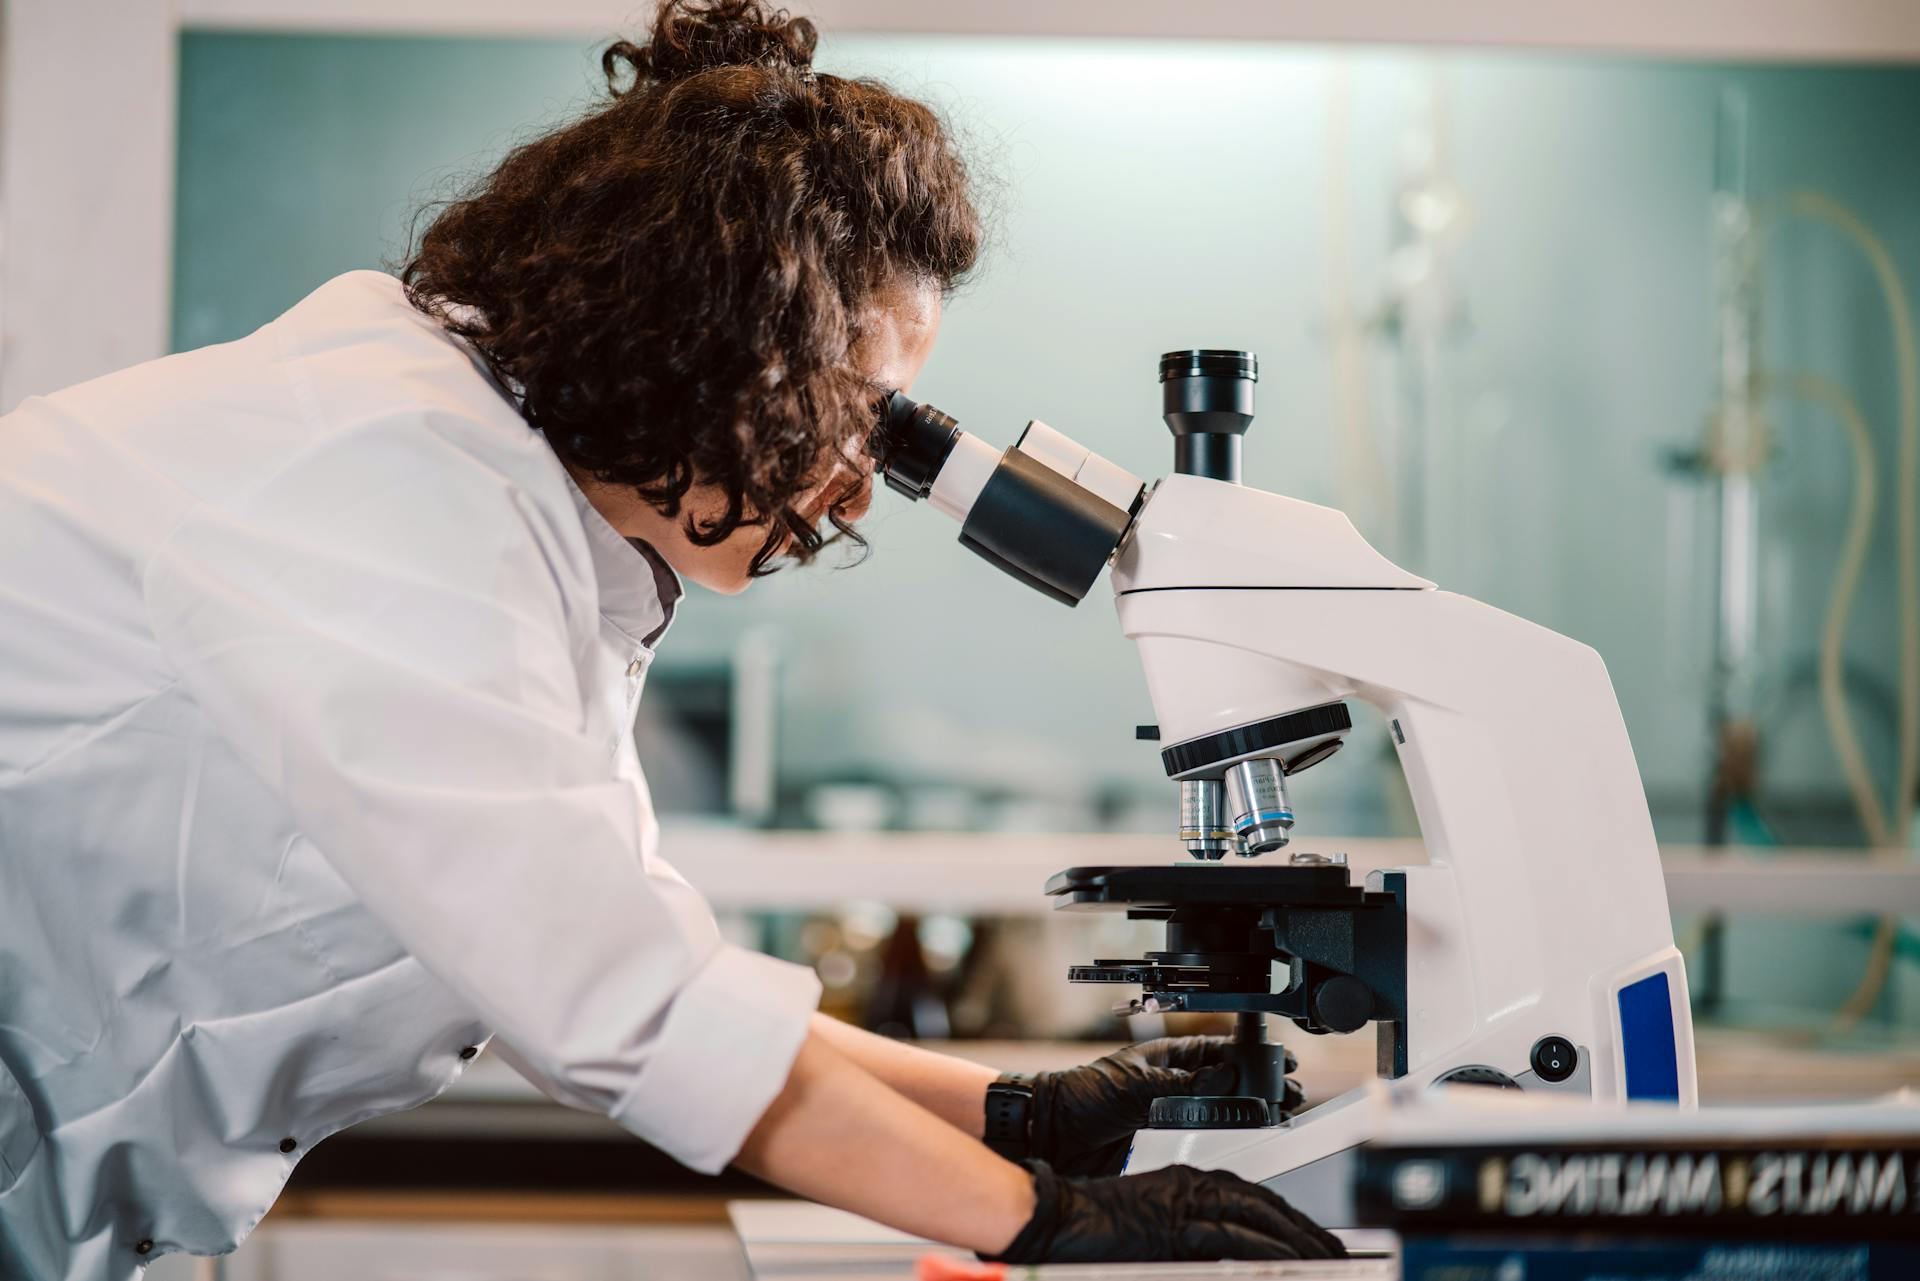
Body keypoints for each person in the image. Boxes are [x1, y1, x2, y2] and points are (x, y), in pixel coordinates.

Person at [0, 2, 1343, 1276]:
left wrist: (1016, 1111)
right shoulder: (383, 486)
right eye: (861, 414)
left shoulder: (521, 526)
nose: (863, 486)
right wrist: (1047, 1221)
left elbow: (632, 961)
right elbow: (621, 1005)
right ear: (708, 338)